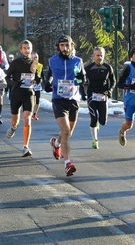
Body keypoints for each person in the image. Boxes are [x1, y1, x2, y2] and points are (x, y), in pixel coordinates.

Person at [45, 35, 85, 176]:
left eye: (67, 45)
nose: (64, 48)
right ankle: (68, 163)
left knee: (68, 133)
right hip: (58, 99)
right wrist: (48, 83)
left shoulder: (78, 61)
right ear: (58, 46)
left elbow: (81, 77)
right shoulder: (53, 60)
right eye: (62, 45)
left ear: (72, 46)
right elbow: (50, 75)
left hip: (73, 99)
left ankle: (56, 143)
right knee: (66, 130)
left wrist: (81, 82)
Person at [5, 40, 41, 157]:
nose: (27, 50)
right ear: (21, 50)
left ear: (31, 49)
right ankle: (13, 127)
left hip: (29, 93)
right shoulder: (15, 63)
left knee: (27, 119)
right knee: (15, 121)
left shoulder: (34, 63)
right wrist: (14, 83)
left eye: (28, 48)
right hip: (16, 93)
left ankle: (26, 146)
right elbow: (6, 78)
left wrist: (38, 79)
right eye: (24, 48)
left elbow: (36, 77)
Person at [85, 47, 116, 149]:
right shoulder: (88, 68)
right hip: (92, 96)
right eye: (97, 55)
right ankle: (95, 140)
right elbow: (82, 81)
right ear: (93, 56)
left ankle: (98, 124)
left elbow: (113, 81)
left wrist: (110, 90)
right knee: (93, 118)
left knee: (103, 121)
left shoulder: (108, 67)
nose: (99, 58)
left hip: (103, 96)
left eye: (101, 55)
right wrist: (83, 91)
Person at [31, 52, 43, 120]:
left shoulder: (40, 65)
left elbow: (42, 75)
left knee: (37, 100)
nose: (35, 59)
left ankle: (35, 114)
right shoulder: (29, 65)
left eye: (36, 57)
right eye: (33, 57)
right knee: (31, 100)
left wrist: (43, 81)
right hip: (30, 85)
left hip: (37, 85)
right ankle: (30, 112)